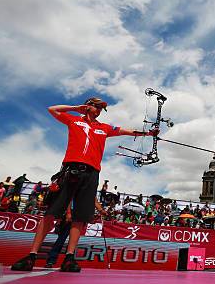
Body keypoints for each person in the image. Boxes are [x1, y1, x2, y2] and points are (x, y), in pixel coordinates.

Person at [11, 97, 157, 272]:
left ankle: (70, 257)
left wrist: (148, 134)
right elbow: (52, 109)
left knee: (80, 218)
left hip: (91, 174)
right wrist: (75, 108)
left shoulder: (104, 128)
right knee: (51, 214)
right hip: (70, 169)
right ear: (88, 106)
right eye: (97, 107)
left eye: (101, 108)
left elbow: (126, 131)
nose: (100, 110)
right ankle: (32, 256)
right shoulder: (73, 119)